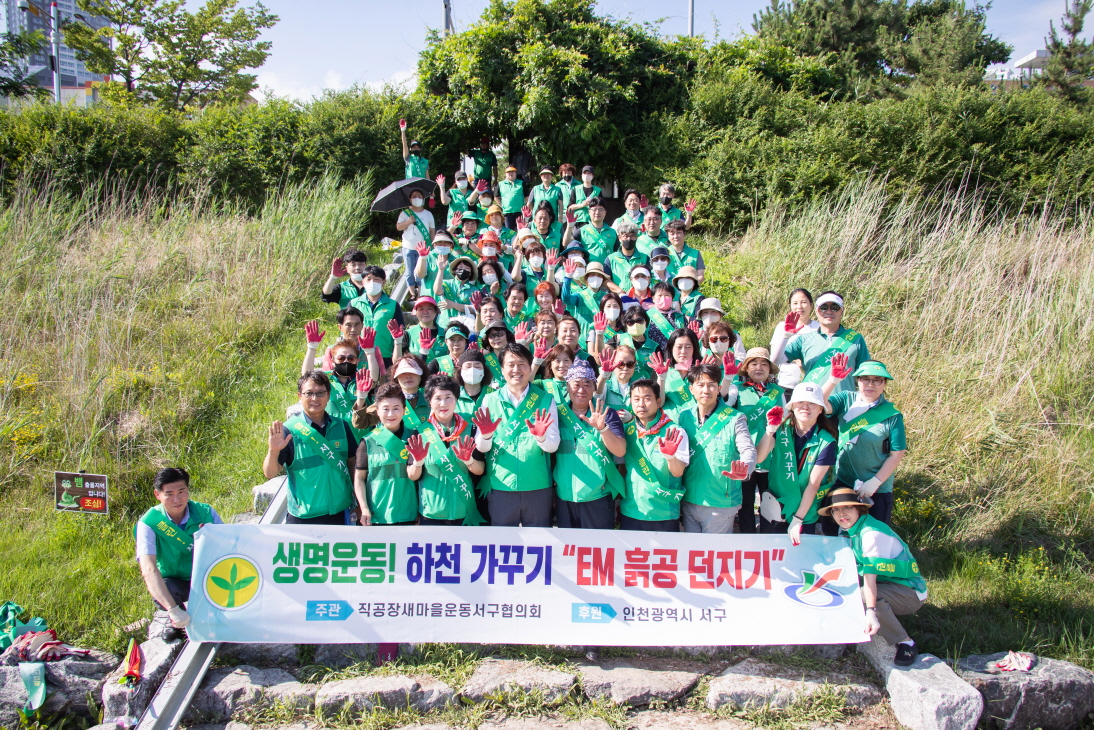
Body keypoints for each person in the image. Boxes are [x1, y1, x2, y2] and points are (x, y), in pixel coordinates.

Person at [820, 488, 927, 666]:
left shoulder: (871, 534)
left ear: (859, 509)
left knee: (862, 595)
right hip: (885, 583)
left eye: (847, 507)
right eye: (836, 510)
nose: (841, 513)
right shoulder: (848, 529)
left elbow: (870, 580)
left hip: (910, 592)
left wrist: (871, 611)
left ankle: (905, 641)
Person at [473, 342, 560, 527]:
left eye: (521, 364)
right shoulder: (489, 400)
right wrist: (486, 436)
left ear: (530, 367)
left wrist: (542, 437)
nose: (516, 370)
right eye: (510, 365)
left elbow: (553, 445)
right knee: (503, 540)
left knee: (539, 539)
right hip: (500, 485)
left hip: (537, 485)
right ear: (502, 369)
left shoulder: (545, 399)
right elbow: (481, 447)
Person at [136, 467, 223, 633]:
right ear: (157, 495)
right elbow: (148, 569)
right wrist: (173, 610)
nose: (177, 499)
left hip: (208, 576)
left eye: (181, 492)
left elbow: (228, 547)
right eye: (169, 494)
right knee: (167, 588)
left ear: (188, 490)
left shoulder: (205, 512)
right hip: (176, 581)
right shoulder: (149, 523)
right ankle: (176, 620)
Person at [263, 371, 358, 525]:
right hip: (303, 517)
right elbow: (270, 473)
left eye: (320, 393)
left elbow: (352, 465)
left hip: (340, 512)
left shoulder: (342, 426)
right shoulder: (289, 431)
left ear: (328, 395)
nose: (315, 398)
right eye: (309, 393)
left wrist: (359, 502)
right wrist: (273, 451)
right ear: (299, 396)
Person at [821, 357, 907, 526]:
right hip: (843, 480)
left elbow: (897, 454)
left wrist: (875, 482)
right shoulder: (846, 399)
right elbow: (819, 405)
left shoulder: (892, 415)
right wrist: (832, 381)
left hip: (876, 487)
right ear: (858, 381)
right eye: (865, 379)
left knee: (874, 532)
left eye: (877, 380)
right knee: (832, 529)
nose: (870, 385)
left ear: (884, 384)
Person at [675, 363, 756, 533]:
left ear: (719, 388)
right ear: (691, 389)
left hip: (720, 502)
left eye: (711, 385)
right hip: (689, 499)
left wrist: (745, 469)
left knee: (713, 550)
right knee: (691, 548)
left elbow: (748, 450)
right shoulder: (684, 416)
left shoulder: (735, 418)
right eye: (700, 385)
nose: (706, 390)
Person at [753, 382, 835, 543]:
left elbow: (814, 485)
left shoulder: (827, 441)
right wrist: (770, 429)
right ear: (792, 406)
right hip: (776, 508)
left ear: (820, 409)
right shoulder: (782, 429)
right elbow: (759, 459)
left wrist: (798, 519)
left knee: (800, 555)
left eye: (812, 403)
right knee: (772, 553)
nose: (805, 407)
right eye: (800, 402)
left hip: (804, 512)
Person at [554, 360, 627, 529]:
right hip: (563, 498)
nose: (581, 390)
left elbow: (620, 451)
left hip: (598, 498)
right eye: (576, 384)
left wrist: (603, 429)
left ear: (595, 387)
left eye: (587, 384)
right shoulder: (557, 414)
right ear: (567, 386)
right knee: (567, 545)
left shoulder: (607, 414)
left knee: (597, 546)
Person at [406, 374, 487, 526]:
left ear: (456, 399)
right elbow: (412, 475)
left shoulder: (470, 430)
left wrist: (469, 460)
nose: (443, 403)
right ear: (430, 402)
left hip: (464, 512)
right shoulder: (421, 432)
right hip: (431, 514)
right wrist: (417, 462)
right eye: (437, 398)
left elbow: (480, 470)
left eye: (448, 397)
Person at [728, 347, 785, 534]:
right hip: (745, 456)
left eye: (764, 364)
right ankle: (748, 539)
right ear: (746, 367)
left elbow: (786, 421)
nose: (759, 367)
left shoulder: (778, 392)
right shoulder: (737, 389)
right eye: (754, 363)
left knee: (770, 503)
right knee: (745, 503)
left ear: (769, 369)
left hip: (771, 456)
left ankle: (768, 540)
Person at [620, 379, 688, 531]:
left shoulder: (675, 431)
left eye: (647, 398)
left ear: (658, 402)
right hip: (631, 510)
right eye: (636, 399)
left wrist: (670, 457)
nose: (641, 404)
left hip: (663, 512)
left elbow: (678, 472)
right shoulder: (627, 430)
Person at [778, 291, 870, 392]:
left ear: (842, 310)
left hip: (844, 400)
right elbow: (776, 360)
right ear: (816, 310)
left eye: (834, 307)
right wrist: (785, 336)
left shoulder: (855, 339)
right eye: (823, 308)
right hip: (811, 400)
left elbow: (866, 374)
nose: (829, 312)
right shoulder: (804, 340)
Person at [354, 382, 417, 527]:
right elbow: (359, 478)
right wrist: (364, 508)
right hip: (377, 517)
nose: (391, 414)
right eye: (385, 409)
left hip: (410, 515)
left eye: (396, 408)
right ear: (377, 411)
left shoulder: (414, 438)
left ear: (404, 410)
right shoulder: (367, 442)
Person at [348, 266, 403, 366]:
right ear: (363, 282)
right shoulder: (354, 303)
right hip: (359, 355)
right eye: (368, 279)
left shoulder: (393, 305)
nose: (372, 282)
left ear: (383, 282)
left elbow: (400, 331)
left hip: (385, 355)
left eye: (376, 279)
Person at [770, 288, 820, 363]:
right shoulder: (782, 326)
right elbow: (773, 355)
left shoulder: (819, 327)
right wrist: (795, 361)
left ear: (811, 305)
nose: (799, 306)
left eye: (803, 302)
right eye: (795, 303)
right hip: (784, 368)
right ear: (790, 305)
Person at [434, 256, 482, 329]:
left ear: (470, 273)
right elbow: (437, 291)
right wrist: (441, 270)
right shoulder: (446, 283)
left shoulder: (474, 290)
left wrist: (454, 305)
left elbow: (475, 309)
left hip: (465, 327)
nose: (463, 270)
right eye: (460, 267)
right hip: (445, 324)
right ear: (455, 270)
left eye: (467, 268)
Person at [566, 196, 617, 263]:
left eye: (600, 209)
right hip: (589, 268)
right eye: (594, 209)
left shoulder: (613, 232)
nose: (597, 212)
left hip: (608, 268)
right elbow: (566, 243)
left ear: (605, 212)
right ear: (589, 212)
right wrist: (569, 226)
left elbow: (617, 253)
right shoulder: (583, 230)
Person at [605, 220, 648, 291]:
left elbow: (650, 278)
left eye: (632, 236)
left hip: (640, 296)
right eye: (625, 236)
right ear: (619, 238)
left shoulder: (645, 258)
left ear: (636, 237)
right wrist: (620, 291)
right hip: (618, 296)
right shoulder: (610, 259)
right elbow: (606, 281)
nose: (629, 239)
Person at [596, 345, 636, 422]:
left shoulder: (640, 388)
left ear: (635, 364)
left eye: (630, 364)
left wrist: (632, 418)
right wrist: (603, 375)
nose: (625, 368)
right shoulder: (605, 385)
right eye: (620, 364)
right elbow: (595, 395)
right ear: (613, 363)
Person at [408, 296, 447, 363]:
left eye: (429, 309)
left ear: (435, 312)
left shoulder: (446, 333)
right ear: (416, 312)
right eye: (421, 309)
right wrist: (397, 341)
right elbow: (398, 362)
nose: (425, 312)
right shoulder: (408, 334)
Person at [455, 349, 493, 418]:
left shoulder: (494, 395)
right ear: (460, 370)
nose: (472, 370)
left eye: (477, 367)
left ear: (484, 370)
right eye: (468, 367)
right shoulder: (453, 395)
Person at [498, 166, 525, 231]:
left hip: (519, 212)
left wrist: (522, 205)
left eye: (513, 171)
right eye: (509, 172)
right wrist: (502, 206)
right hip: (507, 213)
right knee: (509, 232)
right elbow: (496, 197)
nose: (511, 173)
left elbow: (527, 196)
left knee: (521, 230)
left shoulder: (521, 183)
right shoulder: (500, 184)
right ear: (505, 173)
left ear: (516, 173)